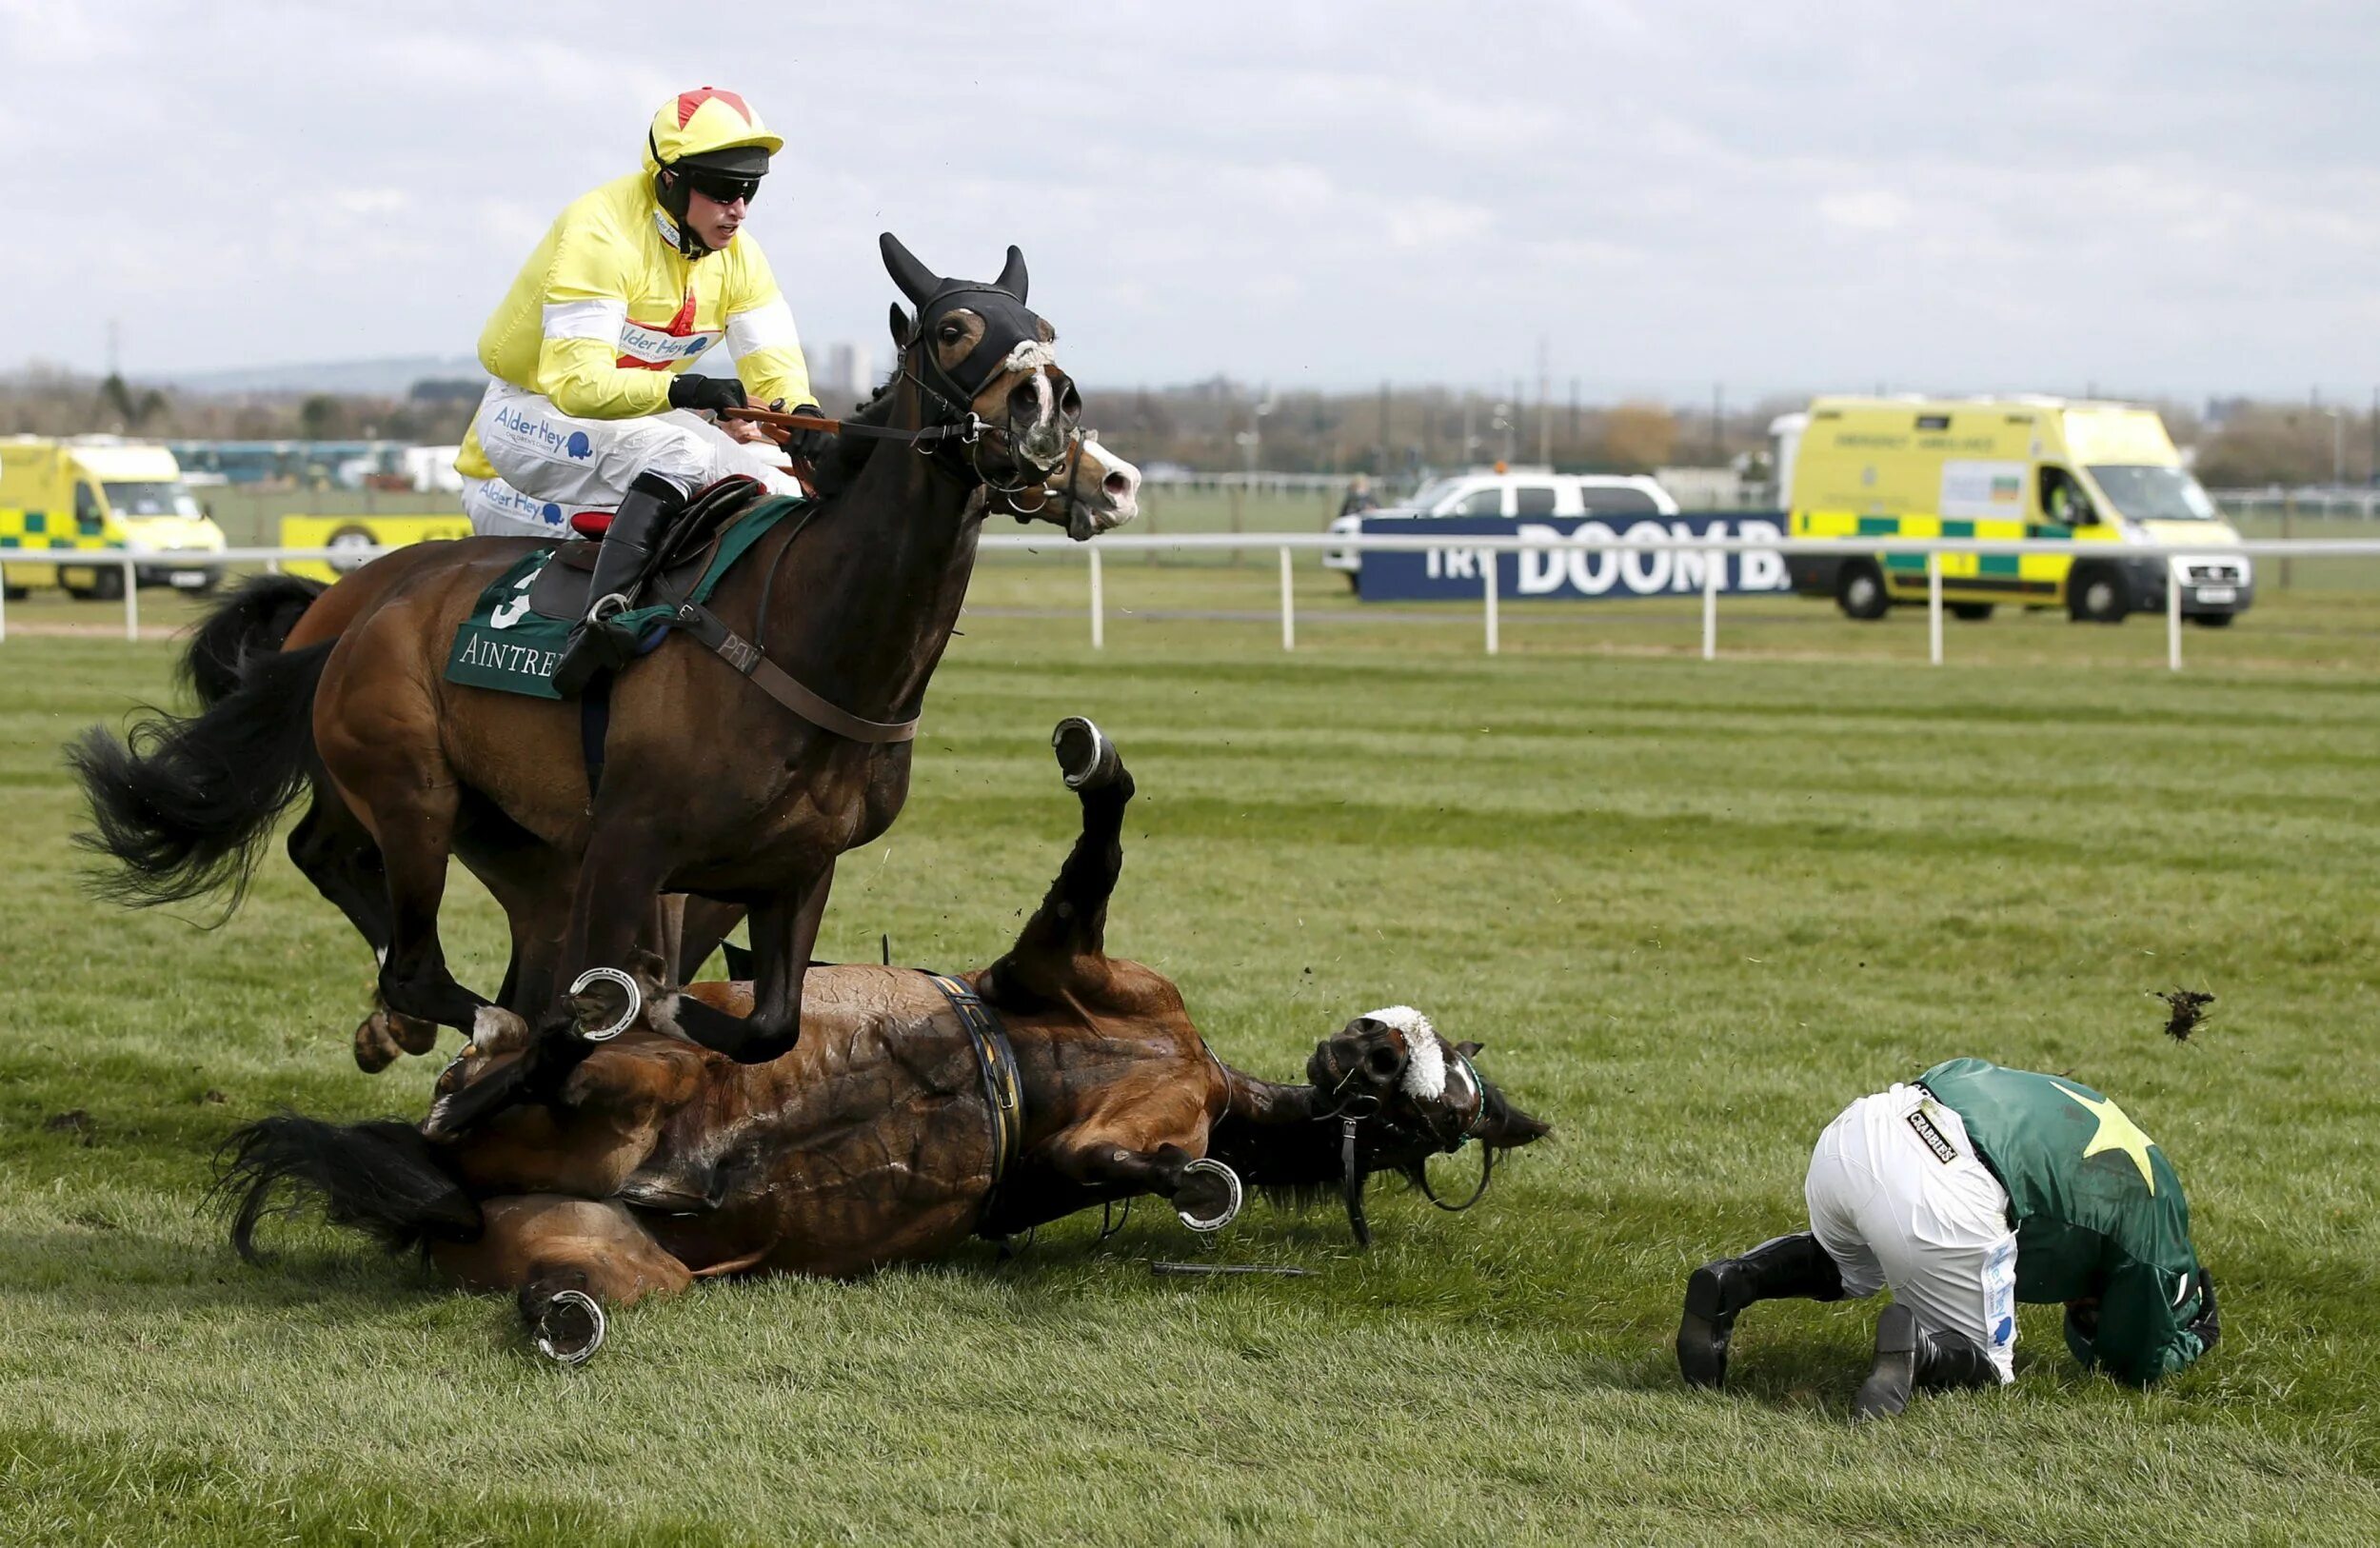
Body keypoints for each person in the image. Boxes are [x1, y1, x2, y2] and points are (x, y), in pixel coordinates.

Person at [453, 87, 831, 692]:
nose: (737, 209)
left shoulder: (740, 257)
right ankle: (600, 628)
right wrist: (690, 391)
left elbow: (776, 375)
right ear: (671, 180)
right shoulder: (599, 231)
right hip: (522, 431)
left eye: (749, 190)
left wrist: (803, 423)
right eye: (720, 189)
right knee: (684, 454)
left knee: (777, 481)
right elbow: (578, 386)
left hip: (623, 430)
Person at [1675, 1057, 2218, 1419]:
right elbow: (2134, 1359)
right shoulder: (2158, 1230)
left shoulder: (2099, 1119)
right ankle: (1921, 1349)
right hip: (1948, 1186)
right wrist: (2193, 1341)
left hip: (1864, 1127)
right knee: (1993, 1367)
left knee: (1848, 1267)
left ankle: (1733, 1280)